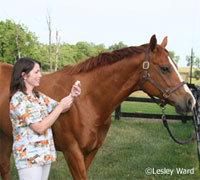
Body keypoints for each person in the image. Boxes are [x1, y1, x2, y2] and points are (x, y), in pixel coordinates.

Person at [9, 57, 81, 180]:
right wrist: (60, 107)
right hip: (29, 158)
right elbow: (39, 127)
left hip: (44, 154)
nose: (40, 75)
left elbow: (61, 108)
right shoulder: (19, 99)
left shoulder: (38, 96)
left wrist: (71, 95)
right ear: (24, 75)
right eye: (36, 72)